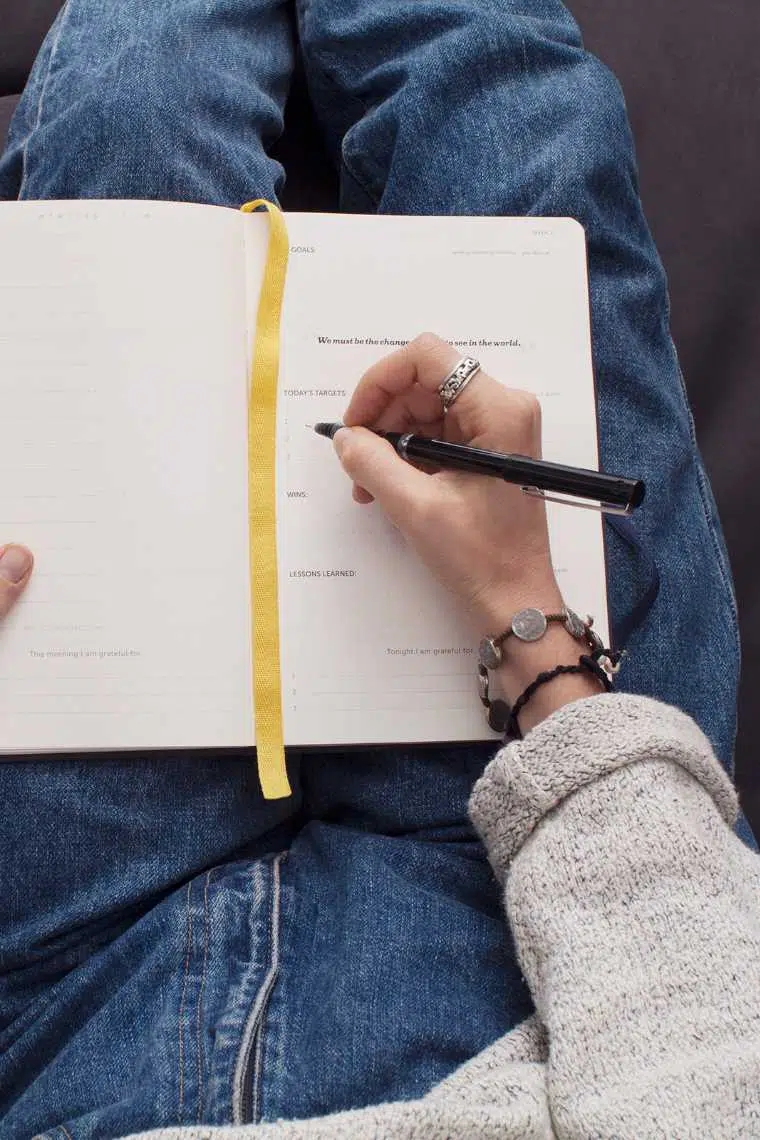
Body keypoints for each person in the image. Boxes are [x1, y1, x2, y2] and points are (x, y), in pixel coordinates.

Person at [0, 0, 756, 1136]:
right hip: (533, 924)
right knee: (517, 121)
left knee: (129, 116)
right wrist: (535, 634)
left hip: (71, 995)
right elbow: (704, 1057)